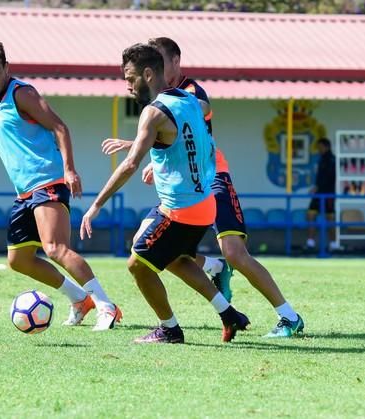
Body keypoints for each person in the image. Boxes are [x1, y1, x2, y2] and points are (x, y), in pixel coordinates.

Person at [101, 37, 304, 338]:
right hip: (191, 190)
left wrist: (145, 151)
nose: (152, 69)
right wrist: (151, 155)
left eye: (159, 60)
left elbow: (193, 122)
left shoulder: (190, 92)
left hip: (213, 180)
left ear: (174, 61)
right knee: (164, 251)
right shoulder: (165, 99)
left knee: (234, 252)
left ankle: (288, 316)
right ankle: (216, 277)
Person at [0, 39, 121, 331]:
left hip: (47, 181)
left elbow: (60, 127)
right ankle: (79, 299)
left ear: (6, 68)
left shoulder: (22, 93)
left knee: (55, 248)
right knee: (19, 260)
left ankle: (106, 307)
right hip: (24, 193)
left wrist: (70, 169)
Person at [81, 43, 250, 344]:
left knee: (137, 263)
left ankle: (169, 329)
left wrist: (95, 205)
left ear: (148, 74)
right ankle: (229, 314)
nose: (127, 85)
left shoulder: (153, 112)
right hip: (203, 205)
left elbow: (131, 164)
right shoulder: (190, 99)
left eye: (130, 77)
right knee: (173, 258)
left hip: (181, 210)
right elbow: (197, 127)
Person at [305, 138, 337, 252]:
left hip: (327, 194)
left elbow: (328, 178)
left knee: (330, 218)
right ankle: (310, 242)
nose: (319, 150)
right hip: (319, 194)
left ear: (326, 146)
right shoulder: (322, 159)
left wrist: (317, 187)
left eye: (320, 147)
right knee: (311, 214)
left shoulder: (332, 160)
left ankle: (333, 244)